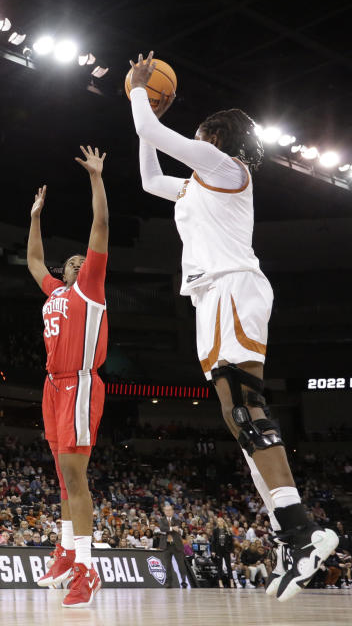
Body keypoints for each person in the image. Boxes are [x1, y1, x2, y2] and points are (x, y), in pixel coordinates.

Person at [128, 51, 338, 602]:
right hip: (212, 295)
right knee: (236, 417)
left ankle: (302, 533)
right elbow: (150, 178)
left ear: (214, 139)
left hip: (232, 286)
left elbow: (149, 126)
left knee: (246, 408)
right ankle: (293, 534)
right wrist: (147, 115)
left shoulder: (227, 169)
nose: (192, 143)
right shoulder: (196, 184)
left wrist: (138, 92)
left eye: (197, 136)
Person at [27, 147, 110, 608]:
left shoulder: (91, 286)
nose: (80, 261)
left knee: (75, 477)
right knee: (63, 475)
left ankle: (86, 567)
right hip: (53, 385)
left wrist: (96, 178)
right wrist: (36, 217)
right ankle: (65, 548)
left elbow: (100, 227)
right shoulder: (56, 289)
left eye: (85, 259)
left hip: (80, 381)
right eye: (73, 260)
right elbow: (35, 262)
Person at [156, 504, 190, 588]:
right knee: (167, 565)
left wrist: (168, 529)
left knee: (181, 564)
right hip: (166, 545)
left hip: (176, 545)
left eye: (169, 510)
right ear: (164, 511)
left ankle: (184, 581)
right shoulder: (161, 520)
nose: (168, 512)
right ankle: (169, 583)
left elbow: (175, 528)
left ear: (172, 511)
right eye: (166, 510)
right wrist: (171, 528)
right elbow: (162, 528)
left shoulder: (177, 519)